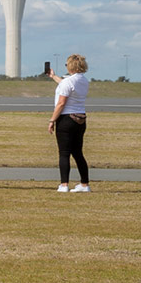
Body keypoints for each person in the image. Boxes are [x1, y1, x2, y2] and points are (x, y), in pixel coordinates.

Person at [47, 54, 91, 192]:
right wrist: (53, 76)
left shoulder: (68, 82)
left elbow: (61, 103)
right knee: (78, 152)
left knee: (64, 153)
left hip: (66, 119)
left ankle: (64, 184)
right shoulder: (83, 81)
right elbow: (66, 84)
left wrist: (52, 120)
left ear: (70, 66)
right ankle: (84, 184)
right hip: (80, 119)